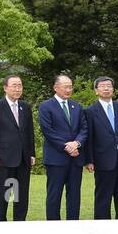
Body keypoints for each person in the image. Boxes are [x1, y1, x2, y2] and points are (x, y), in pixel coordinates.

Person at [85, 76, 118, 220]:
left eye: (109, 86)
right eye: (102, 86)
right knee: (103, 195)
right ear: (96, 91)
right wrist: (89, 160)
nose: (106, 88)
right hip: (102, 159)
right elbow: (88, 138)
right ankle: (102, 225)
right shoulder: (90, 111)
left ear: (113, 89)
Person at [37, 73, 88, 221]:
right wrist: (66, 146)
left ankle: (73, 224)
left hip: (75, 159)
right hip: (56, 158)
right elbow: (48, 130)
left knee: (74, 195)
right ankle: (54, 225)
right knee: (54, 194)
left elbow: (84, 129)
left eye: (70, 87)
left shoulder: (76, 106)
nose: (68, 90)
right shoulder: (46, 106)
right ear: (55, 88)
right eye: (65, 87)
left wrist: (76, 143)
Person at [0, 74, 36, 222]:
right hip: (4, 159)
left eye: (20, 85)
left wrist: (31, 153)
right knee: (4, 193)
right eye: (14, 85)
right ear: (5, 88)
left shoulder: (25, 107)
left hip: (23, 159)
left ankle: (19, 221)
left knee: (20, 194)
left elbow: (29, 132)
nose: (17, 88)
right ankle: (1, 221)